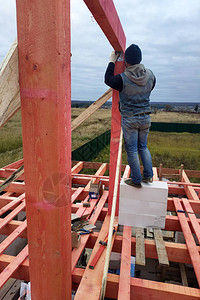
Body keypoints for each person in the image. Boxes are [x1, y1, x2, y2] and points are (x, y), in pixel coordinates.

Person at [105, 44, 156, 188]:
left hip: (130, 119)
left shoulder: (122, 78)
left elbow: (108, 79)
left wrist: (111, 61)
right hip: (146, 117)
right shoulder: (151, 75)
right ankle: (148, 176)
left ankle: (136, 180)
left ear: (126, 62)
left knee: (132, 149)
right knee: (143, 147)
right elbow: (151, 86)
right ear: (140, 59)